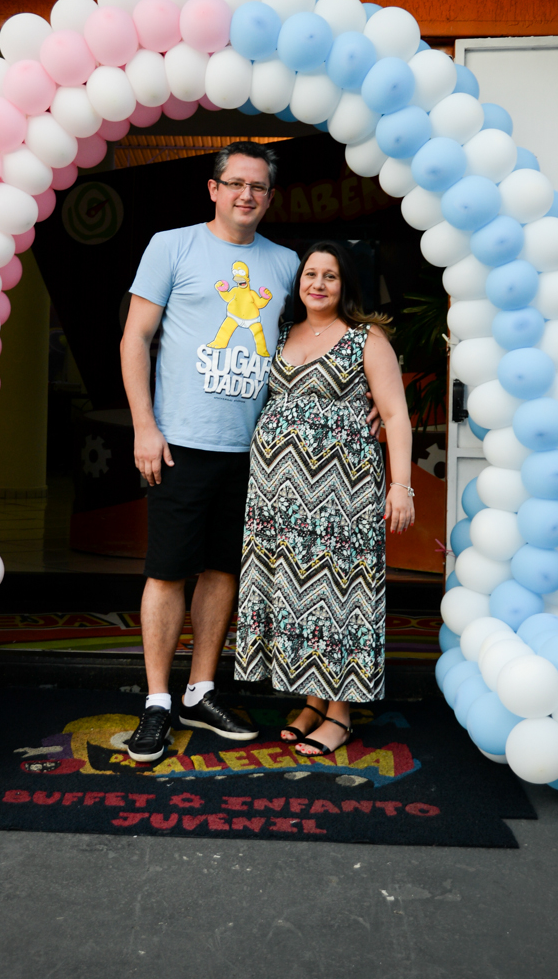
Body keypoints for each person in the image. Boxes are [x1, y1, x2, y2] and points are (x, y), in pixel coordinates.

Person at [120, 143, 380, 763]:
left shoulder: (287, 263)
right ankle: (158, 701)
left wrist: (372, 390)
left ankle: (201, 691)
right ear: (213, 188)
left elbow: (331, 320)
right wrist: (143, 426)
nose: (247, 195)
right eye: (235, 183)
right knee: (167, 570)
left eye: (258, 187)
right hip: (180, 441)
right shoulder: (172, 246)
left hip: (260, 453)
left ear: (269, 196)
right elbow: (135, 337)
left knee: (222, 569)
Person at [233, 240, 415, 756]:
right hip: (278, 494)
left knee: (339, 596)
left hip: (342, 490)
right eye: (310, 274)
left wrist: (401, 486)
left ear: (344, 286)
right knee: (298, 594)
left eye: (329, 276)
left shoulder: (366, 339)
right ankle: (314, 700)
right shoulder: (281, 332)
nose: (317, 283)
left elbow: (396, 415)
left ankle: (341, 714)